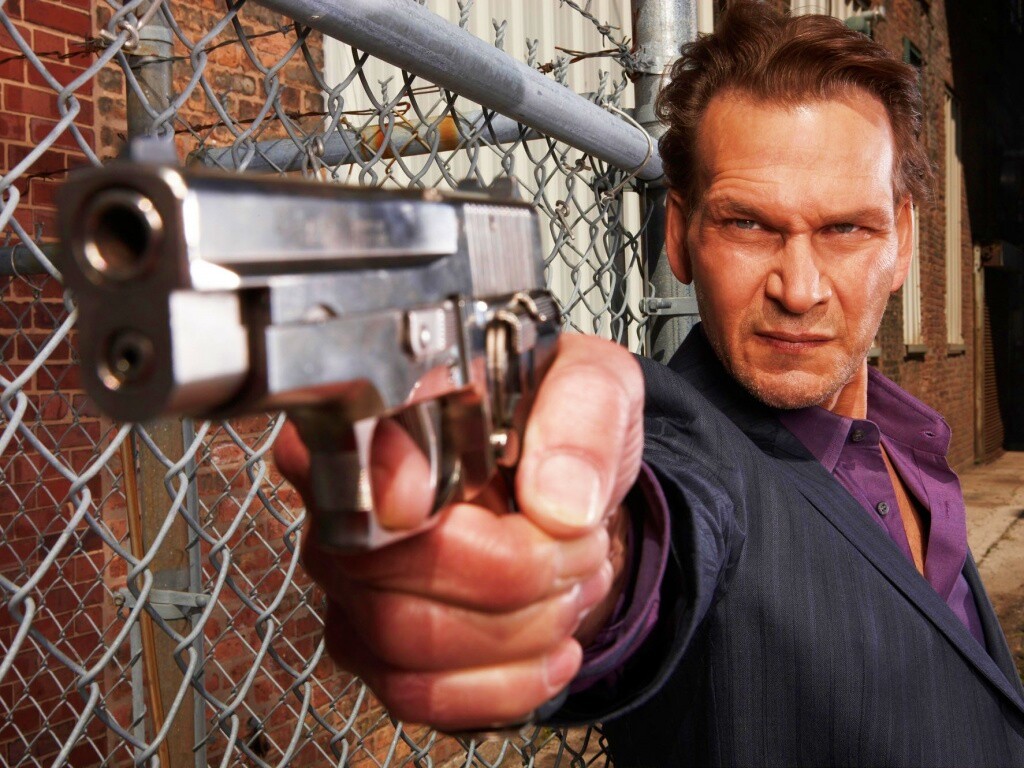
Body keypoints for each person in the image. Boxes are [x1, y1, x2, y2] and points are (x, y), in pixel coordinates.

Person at [275, 3, 1024, 764]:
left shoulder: (910, 436)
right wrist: (579, 563)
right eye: (747, 224)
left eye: (845, 230)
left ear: (901, 241)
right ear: (679, 234)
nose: (798, 290)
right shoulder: (685, 452)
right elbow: (659, 531)